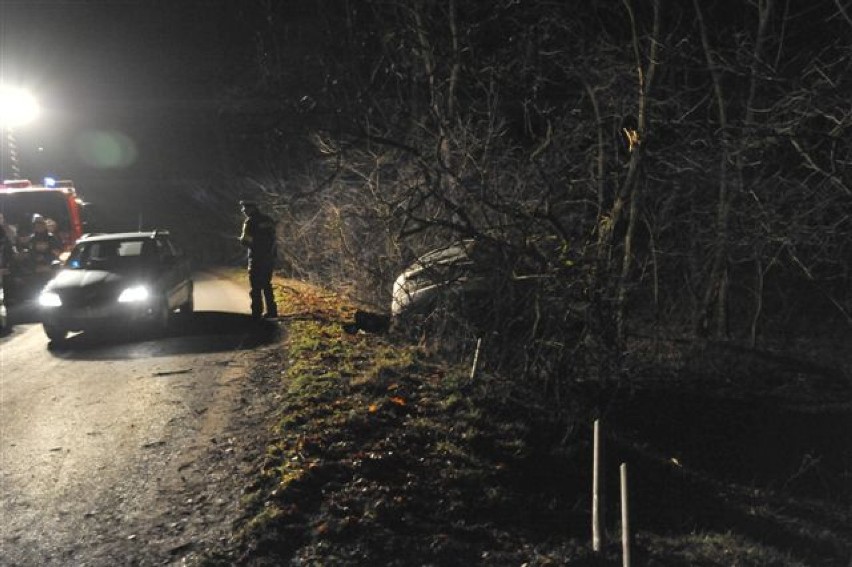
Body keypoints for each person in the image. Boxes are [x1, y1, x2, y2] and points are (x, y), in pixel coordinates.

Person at [239, 200, 278, 319]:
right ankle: (272, 311)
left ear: (252, 208)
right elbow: (274, 237)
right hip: (269, 257)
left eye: (245, 207)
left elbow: (245, 241)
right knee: (266, 284)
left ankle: (256, 312)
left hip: (256, 258)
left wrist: (241, 240)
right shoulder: (268, 220)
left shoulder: (249, 222)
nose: (243, 210)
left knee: (255, 287)